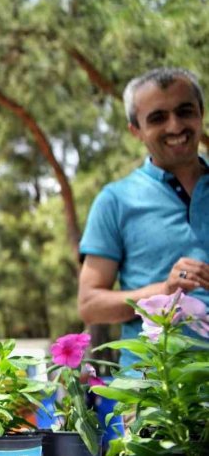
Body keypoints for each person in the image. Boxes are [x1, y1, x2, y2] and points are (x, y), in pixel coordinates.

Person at [78, 67, 209, 369]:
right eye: (158, 117)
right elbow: (89, 305)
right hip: (154, 396)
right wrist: (162, 292)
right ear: (135, 130)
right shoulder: (115, 200)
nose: (175, 126)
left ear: (201, 114)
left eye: (184, 111)